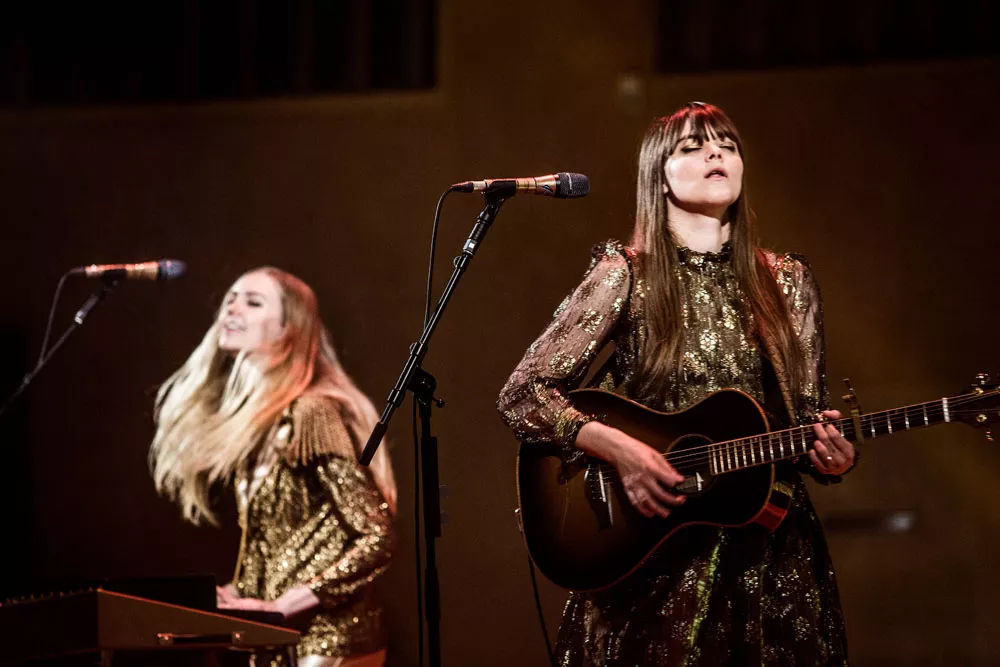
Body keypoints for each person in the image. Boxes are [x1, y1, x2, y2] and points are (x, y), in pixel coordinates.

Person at [498, 102, 856, 666]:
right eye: (693, 146)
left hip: (768, 554)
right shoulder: (627, 273)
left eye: (727, 145)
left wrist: (832, 456)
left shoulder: (787, 282)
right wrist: (621, 449)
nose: (717, 153)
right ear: (657, 177)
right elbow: (523, 394)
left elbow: (807, 418)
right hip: (652, 551)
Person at [150, 267, 396, 667]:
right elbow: (280, 545)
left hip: (331, 642)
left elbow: (377, 536)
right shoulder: (264, 425)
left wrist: (286, 604)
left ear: (288, 328)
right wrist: (238, 597)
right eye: (230, 298)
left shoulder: (311, 412)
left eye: (253, 301)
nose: (232, 307)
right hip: (285, 644)